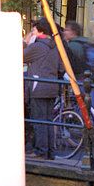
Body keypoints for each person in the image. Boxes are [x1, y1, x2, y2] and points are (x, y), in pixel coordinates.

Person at [24, 18, 60, 160]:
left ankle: (41, 151)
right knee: (48, 120)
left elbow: (19, 56)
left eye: (33, 30)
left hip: (38, 86)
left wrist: (26, 42)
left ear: (40, 31)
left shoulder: (37, 46)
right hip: (52, 86)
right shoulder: (55, 46)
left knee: (39, 119)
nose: (31, 32)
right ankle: (50, 151)